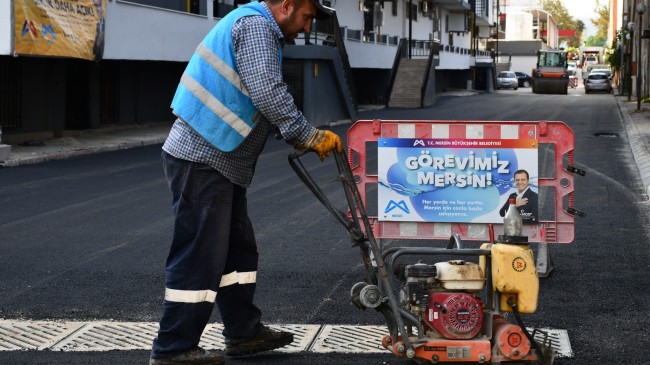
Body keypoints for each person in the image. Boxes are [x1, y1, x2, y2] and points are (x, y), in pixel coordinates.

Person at [149, 1, 341, 364]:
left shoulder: (255, 26)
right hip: (202, 157)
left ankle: (243, 332)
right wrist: (307, 135)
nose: (305, 28)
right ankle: (173, 347)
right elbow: (267, 91)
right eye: (306, 18)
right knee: (199, 254)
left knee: (238, 250)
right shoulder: (256, 27)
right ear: (287, 6)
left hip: (220, 159)